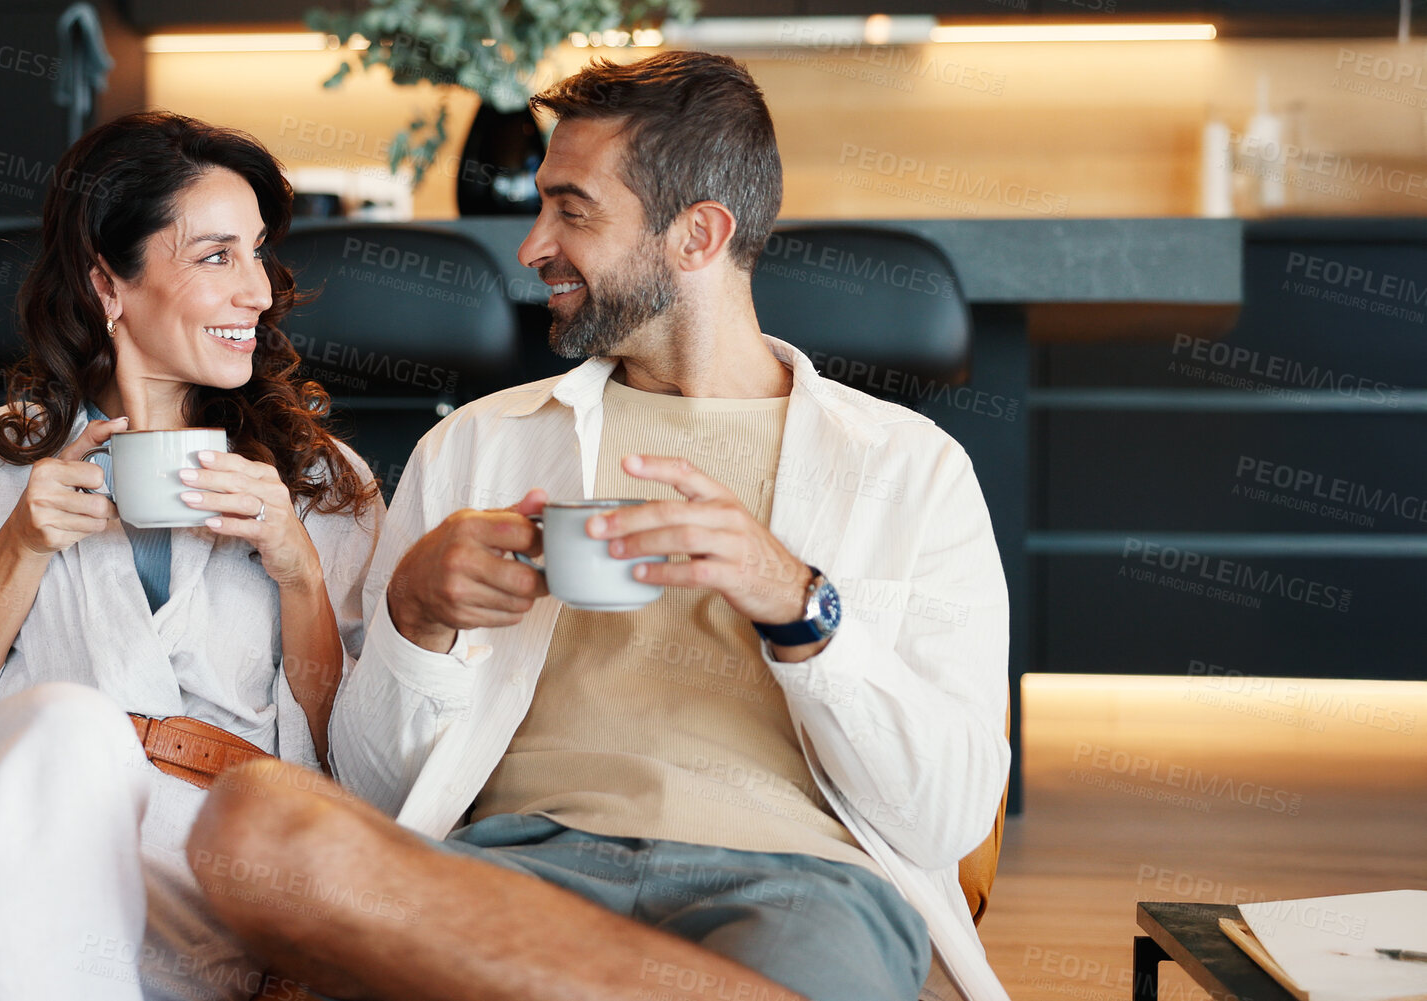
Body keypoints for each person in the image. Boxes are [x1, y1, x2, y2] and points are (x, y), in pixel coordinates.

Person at [183, 51, 1012, 1001]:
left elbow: (945, 817)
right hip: (506, 876)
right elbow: (376, 793)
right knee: (257, 821)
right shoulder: (474, 448)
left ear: (696, 235)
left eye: (572, 210)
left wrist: (796, 603)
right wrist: (416, 616)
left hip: (796, 891)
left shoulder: (912, 469)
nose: (532, 246)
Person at [0, 111, 384, 1001]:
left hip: (194, 856)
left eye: (258, 253)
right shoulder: (1, 454)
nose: (259, 293)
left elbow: (353, 755)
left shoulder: (319, 482)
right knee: (70, 732)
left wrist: (297, 566)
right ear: (108, 285)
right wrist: (22, 543)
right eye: (214, 256)